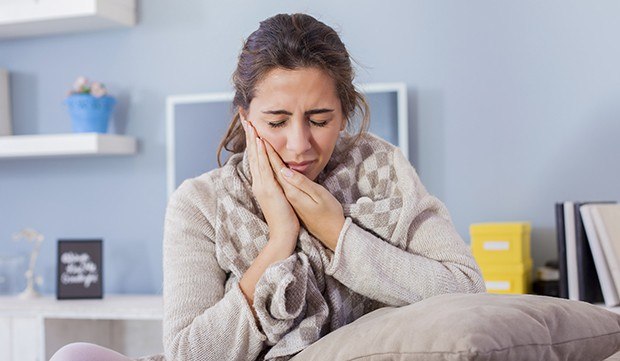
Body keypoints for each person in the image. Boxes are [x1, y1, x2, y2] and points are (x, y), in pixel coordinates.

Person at [50, 12, 484, 361]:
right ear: (246, 118)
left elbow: (466, 289)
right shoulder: (199, 203)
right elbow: (186, 353)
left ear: (345, 112)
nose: (299, 145)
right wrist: (280, 241)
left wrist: (337, 234)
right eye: (276, 122)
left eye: (320, 120)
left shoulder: (383, 171)